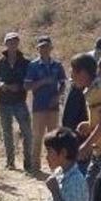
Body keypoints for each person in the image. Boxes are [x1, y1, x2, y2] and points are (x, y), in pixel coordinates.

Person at [69, 53, 101, 192]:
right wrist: (89, 125)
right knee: (90, 190)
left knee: (100, 191)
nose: (71, 76)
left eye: (73, 72)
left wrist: (86, 146)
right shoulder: (92, 90)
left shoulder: (98, 91)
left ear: (83, 73)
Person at [24, 35, 67, 172]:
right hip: (39, 106)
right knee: (37, 137)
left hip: (53, 106)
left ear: (51, 48)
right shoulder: (33, 65)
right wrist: (42, 82)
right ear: (38, 49)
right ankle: (35, 167)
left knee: (54, 138)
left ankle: (54, 166)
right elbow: (27, 86)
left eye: (47, 47)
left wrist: (58, 96)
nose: (44, 49)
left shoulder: (57, 65)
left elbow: (63, 84)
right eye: (42, 47)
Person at [0, 32, 33, 171]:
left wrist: (19, 87)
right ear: (6, 44)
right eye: (9, 42)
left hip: (20, 101)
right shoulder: (0, 63)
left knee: (27, 132)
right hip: (4, 102)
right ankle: (10, 162)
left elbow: (30, 81)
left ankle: (28, 162)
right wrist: (0, 85)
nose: (12, 44)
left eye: (15, 41)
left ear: (18, 43)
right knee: (7, 132)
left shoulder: (26, 63)